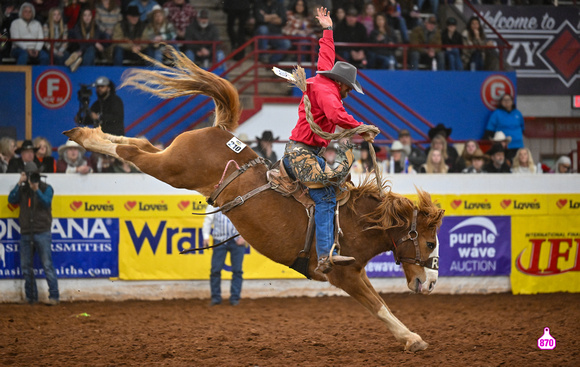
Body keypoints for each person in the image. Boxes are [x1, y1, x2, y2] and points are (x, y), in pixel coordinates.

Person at [283, 7, 376, 274]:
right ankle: (324, 256)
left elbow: (326, 54)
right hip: (303, 153)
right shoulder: (330, 94)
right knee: (325, 199)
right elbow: (336, 113)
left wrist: (328, 29)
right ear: (344, 85)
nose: (349, 92)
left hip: (305, 151)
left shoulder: (324, 77)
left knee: (335, 188)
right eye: (350, 88)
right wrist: (362, 128)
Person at [8, 162, 60, 305]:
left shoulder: (46, 188)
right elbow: (11, 199)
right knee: (26, 267)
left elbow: (46, 202)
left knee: (47, 265)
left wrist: (36, 190)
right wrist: (19, 183)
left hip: (42, 231)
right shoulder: (23, 189)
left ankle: (54, 296)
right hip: (26, 232)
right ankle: (31, 297)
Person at [202, 204, 246, 306]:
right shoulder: (213, 205)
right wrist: (205, 236)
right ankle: (216, 297)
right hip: (219, 241)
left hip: (236, 241)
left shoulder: (239, 203)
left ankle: (235, 297)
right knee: (215, 270)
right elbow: (208, 220)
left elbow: (247, 221)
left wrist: (244, 237)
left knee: (237, 271)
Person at [484, 94, 524, 163]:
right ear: (501, 102)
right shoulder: (496, 113)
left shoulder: (518, 113)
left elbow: (523, 128)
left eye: (509, 100)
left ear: (512, 101)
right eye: (504, 100)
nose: (507, 101)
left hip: (518, 145)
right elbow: (489, 130)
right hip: (504, 148)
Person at [66, 7, 107, 72]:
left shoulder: (96, 27)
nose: (87, 17)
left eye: (89, 15)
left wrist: (81, 51)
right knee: (90, 50)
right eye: (85, 15)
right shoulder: (77, 27)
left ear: (92, 16)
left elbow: (94, 39)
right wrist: (95, 43)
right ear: (82, 17)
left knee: (91, 50)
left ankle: (79, 62)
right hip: (79, 49)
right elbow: (81, 42)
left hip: (88, 52)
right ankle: (85, 71)